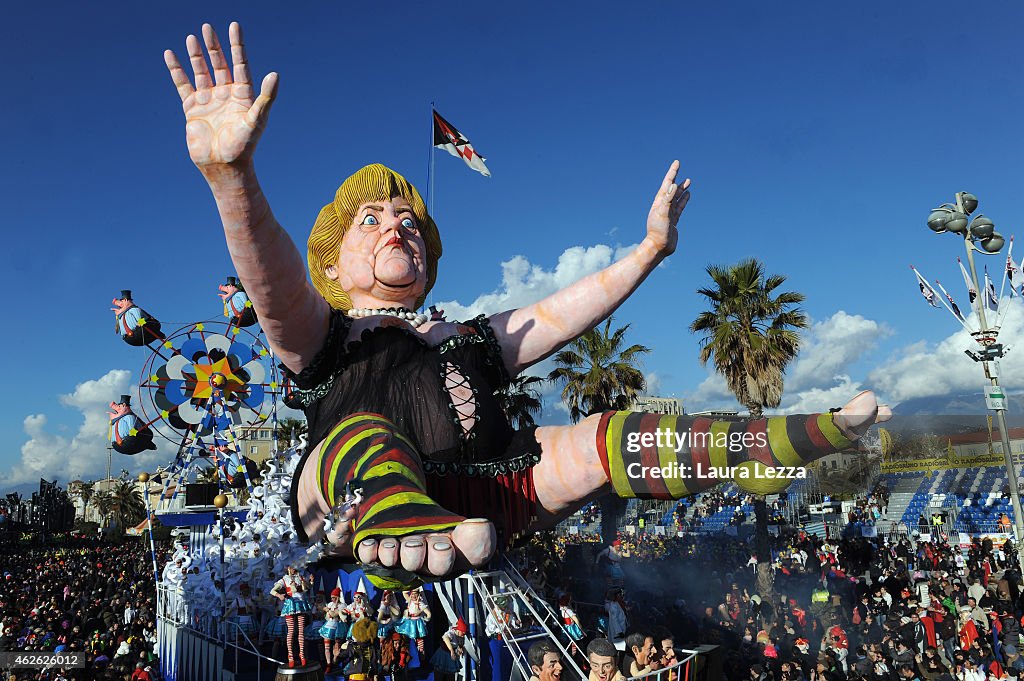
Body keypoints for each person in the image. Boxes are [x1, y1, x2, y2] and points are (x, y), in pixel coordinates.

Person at [163, 21, 892, 591]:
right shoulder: (327, 334)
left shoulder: (467, 335)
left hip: (488, 488)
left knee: (605, 437)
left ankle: (784, 438)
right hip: (350, 494)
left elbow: (553, 314)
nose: (398, 227)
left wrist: (647, 250)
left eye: (410, 221)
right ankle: (393, 527)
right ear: (332, 261)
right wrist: (233, 179)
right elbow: (276, 285)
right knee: (365, 442)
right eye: (373, 220)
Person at [270, 564, 313, 668]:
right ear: (288, 568)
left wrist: (311, 581)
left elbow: (307, 588)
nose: (294, 569)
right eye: (292, 567)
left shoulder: (300, 577)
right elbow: (272, 591)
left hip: (301, 604)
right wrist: (279, 595)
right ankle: (290, 656)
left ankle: (302, 655)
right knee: (291, 631)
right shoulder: (284, 580)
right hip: (291, 604)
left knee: (301, 631)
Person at [394, 588, 431, 654]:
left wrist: (427, 618)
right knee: (407, 637)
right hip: (409, 622)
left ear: (419, 595)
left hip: (417, 623)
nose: (413, 596)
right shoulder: (409, 601)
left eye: (415, 594)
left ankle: (420, 652)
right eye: (412, 594)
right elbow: (404, 592)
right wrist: (412, 587)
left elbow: (428, 613)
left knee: (419, 637)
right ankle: (408, 652)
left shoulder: (420, 603)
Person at [318, 587, 346, 674]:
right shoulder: (330, 604)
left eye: (334, 597)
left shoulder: (343, 605)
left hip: (338, 626)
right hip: (329, 626)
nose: (333, 599)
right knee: (326, 646)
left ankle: (336, 662)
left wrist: (329, 610)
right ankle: (328, 664)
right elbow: (322, 609)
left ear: (338, 597)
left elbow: (334, 614)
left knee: (337, 646)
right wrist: (324, 608)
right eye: (332, 598)